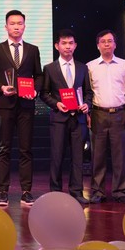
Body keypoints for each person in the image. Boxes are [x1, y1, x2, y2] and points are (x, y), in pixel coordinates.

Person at [0, 10, 43, 206]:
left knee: (26, 149)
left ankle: (26, 191)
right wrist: (1, 87)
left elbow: (39, 75)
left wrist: (34, 90)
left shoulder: (33, 50)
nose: (16, 27)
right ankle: (3, 191)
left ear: (24, 26)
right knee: (3, 148)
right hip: (5, 105)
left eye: (20, 23)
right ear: (6, 27)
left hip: (26, 105)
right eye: (12, 23)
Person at [40, 29, 93, 204]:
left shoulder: (83, 67)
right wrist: (56, 104)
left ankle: (76, 191)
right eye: (64, 43)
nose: (67, 46)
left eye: (71, 43)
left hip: (78, 119)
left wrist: (87, 104)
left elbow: (88, 92)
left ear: (75, 45)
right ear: (57, 46)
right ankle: (55, 191)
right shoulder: (49, 68)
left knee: (78, 157)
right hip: (59, 119)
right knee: (57, 157)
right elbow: (44, 93)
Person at [87, 29, 125, 204]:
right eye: (103, 41)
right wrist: (87, 114)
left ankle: (120, 191)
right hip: (97, 114)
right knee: (97, 156)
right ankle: (98, 191)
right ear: (98, 45)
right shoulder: (90, 66)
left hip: (119, 114)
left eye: (110, 41)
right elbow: (86, 92)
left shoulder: (124, 65)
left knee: (120, 156)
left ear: (115, 44)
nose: (107, 44)